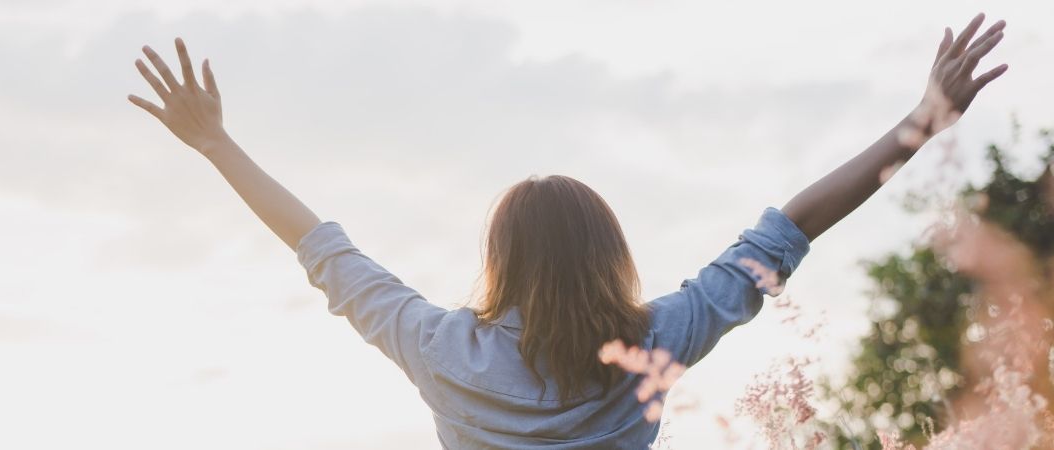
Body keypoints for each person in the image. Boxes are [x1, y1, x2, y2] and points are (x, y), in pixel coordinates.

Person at [125, 14, 1008, 448]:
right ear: (608, 251)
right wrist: (920, 123)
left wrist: (217, 146)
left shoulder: (437, 349)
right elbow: (789, 230)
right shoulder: (661, 339)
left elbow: (320, 247)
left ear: (499, 259)